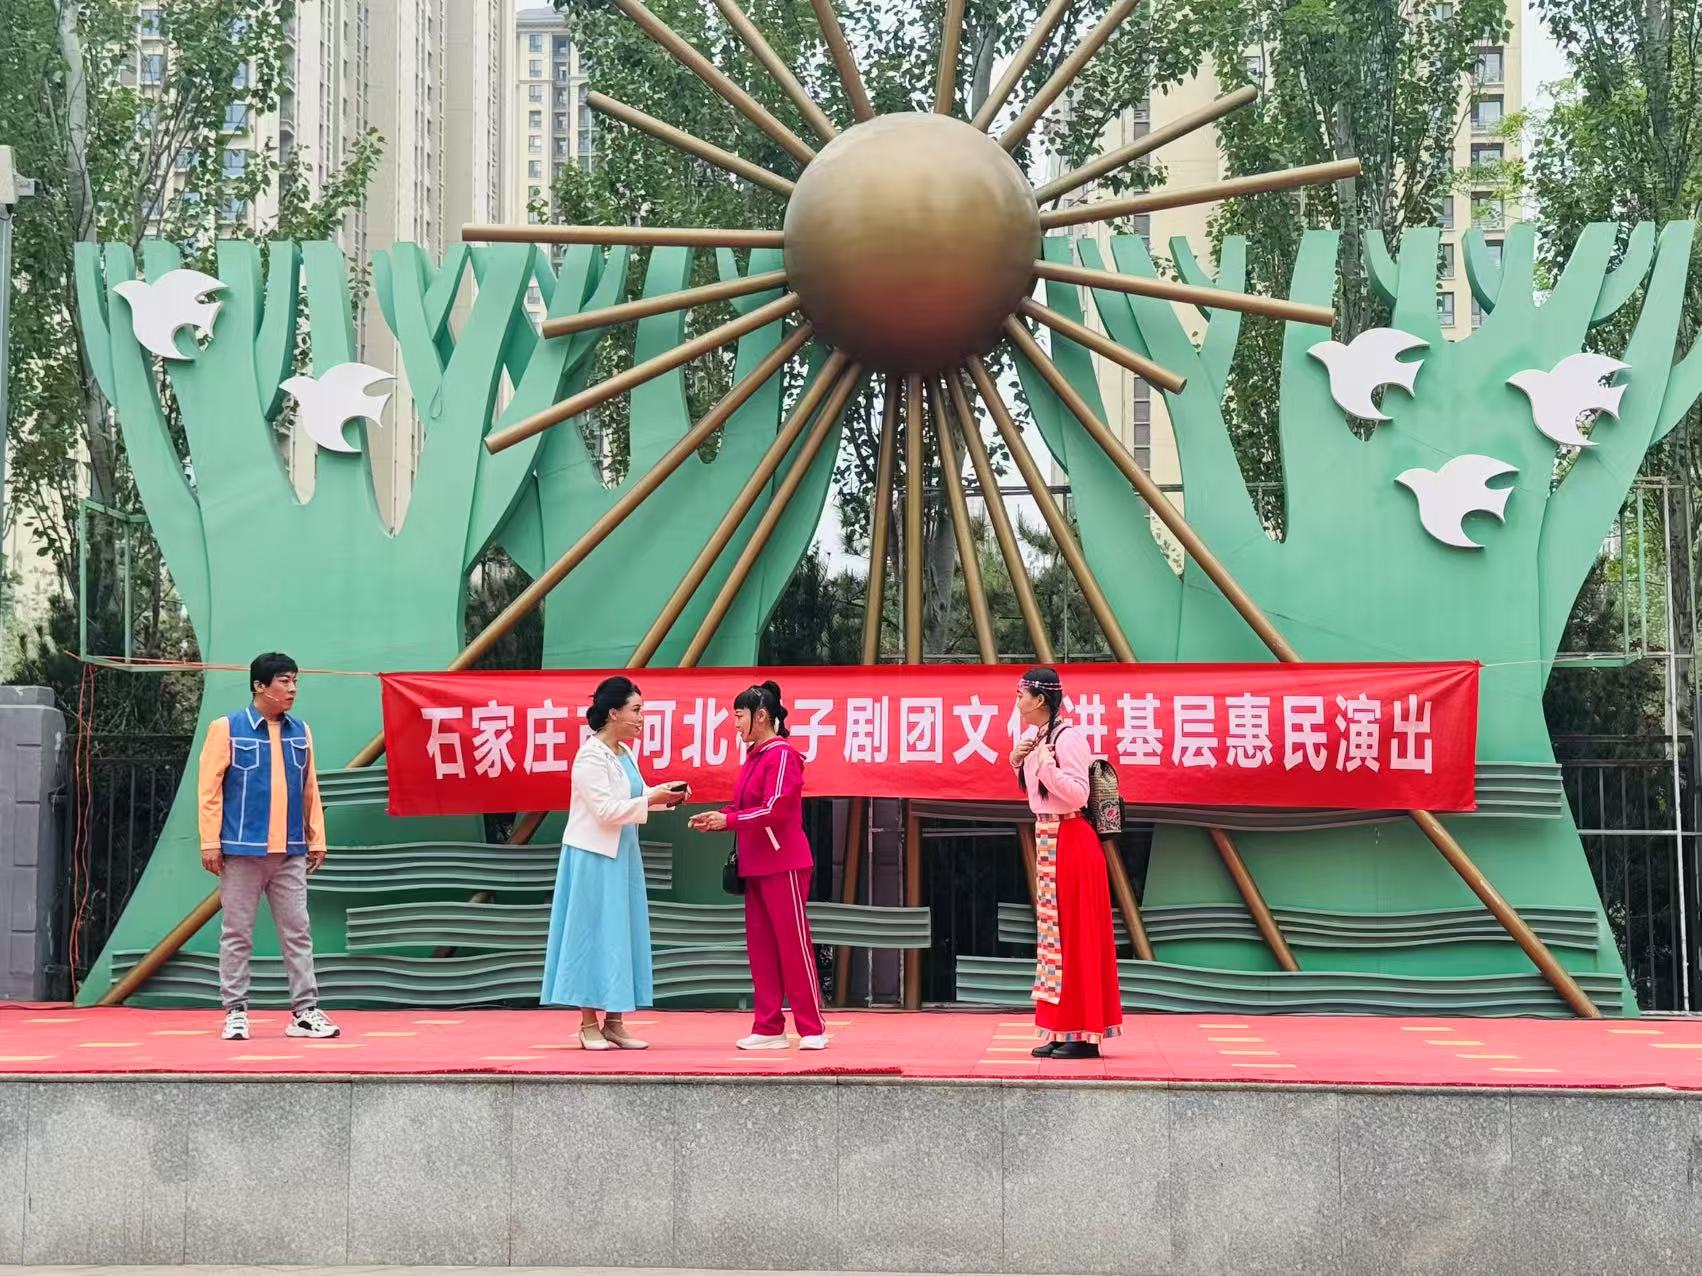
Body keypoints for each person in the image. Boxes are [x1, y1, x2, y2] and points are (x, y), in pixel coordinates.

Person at [197, 652, 339, 1042]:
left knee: (298, 931)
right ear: (259, 686)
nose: (292, 689)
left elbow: (310, 788)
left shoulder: (301, 731)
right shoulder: (226, 728)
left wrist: (317, 838)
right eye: (284, 681)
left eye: (295, 681)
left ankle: (305, 1012)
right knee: (237, 933)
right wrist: (210, 842)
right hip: (242, 850)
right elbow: (209, 791)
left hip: (290, 851)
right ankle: (235, 1011)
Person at [543, 675, 689, 1050]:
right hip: (592, 857)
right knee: (591, 935)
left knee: (620, 935)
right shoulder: (590, 756)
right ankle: (588, 1023)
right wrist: (652, 799)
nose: (641, 718)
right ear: (613, 713)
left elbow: (632, 798)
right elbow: (605, 811)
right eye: (636, 710)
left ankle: (615, 1022)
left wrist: (664, 796)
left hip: (622, 855)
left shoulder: (624, 753)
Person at [688, 681, 827, 1050]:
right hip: (756, 865)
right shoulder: (755, 756)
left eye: (739, 716)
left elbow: (774, 809)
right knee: (762, 949)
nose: (735, 724)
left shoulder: (781, 755)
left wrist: (729, 821)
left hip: (783, 863)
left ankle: (812, 1028)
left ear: (761, 716)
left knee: (793, 946)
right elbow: (744, 808)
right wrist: (718, 817)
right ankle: (768, 1027)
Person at [1011, 666, 1122, 1059]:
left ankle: (1085, 1033)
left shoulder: (1068, 737)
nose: (1017, 702)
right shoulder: (1039, 736)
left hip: (1071, 838)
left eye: (1021, 695)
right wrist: (1018, 761)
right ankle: (1060, 1027)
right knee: (1053, 940)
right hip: (1049, 837)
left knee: (1076, 936)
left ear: (1040, 699)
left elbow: (1077, 795)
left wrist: (1044, 766)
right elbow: (1039, 796)